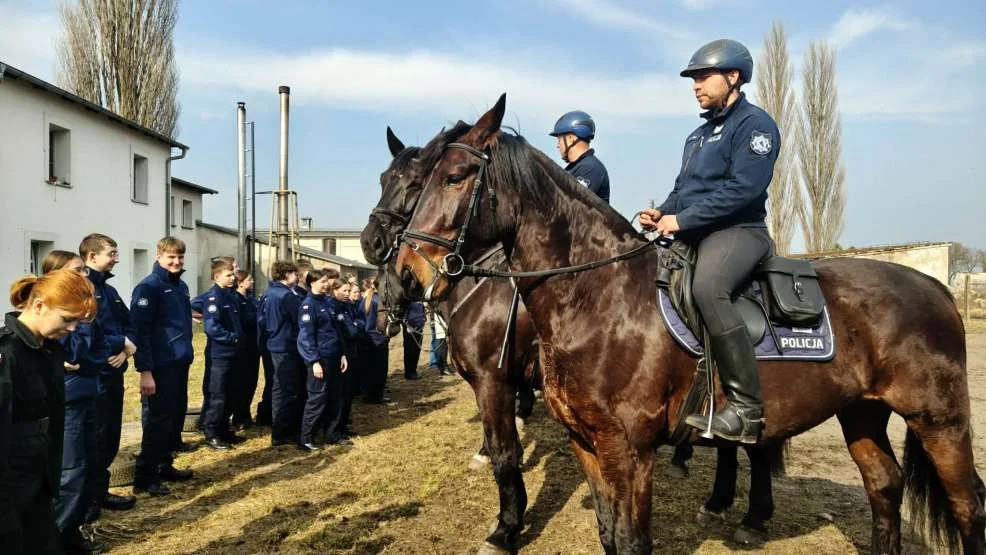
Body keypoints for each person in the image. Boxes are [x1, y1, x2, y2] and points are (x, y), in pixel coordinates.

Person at [640, 39, 779, 444]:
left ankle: (746, 408)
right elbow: (683, 189)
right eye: (693, 78)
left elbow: (744, 189)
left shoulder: (755, 126)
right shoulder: (697, 137)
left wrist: (679, 220)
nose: (695, 85)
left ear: (732, 77)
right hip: (696, 232)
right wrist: (660, 213)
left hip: (740, 232)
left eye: (703, 76)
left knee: (708, 287)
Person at [0, 269, 96, 554]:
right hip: (10, 479)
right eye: (67, 319)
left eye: (77, 322)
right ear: (39, 305)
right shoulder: (9, 355)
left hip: (38, 472)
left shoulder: (49, 349)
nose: (72, 329)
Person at [40, 251, 107, 553]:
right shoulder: (57, 313)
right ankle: (56, 540)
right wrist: (85, 325)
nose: (85, 275)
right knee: (70, 472)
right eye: (78, 270)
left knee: (89, 465)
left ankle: (72, 534)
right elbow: (76, 354)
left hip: (87, 391)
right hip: (69, 399)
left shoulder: (83, 310)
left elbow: (100, 351)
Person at [76, 234, 139, 521]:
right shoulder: (82, 289)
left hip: (114, 372)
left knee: (111, 436)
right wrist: (120, 345)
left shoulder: (109, 291)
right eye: (111, 253)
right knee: (95, 440)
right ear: (91, 257)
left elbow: (129, 324)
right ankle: (87, 503)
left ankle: (100, 492)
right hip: (96, 376)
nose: (116, 258)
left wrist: (126, 352)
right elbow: (90, 333)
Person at [130, 237, 195, 496]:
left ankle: (164, 464)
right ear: (158, 257)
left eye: (180, 257)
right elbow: (140, 331)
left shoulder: (181, 286)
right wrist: (145, 370)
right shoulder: (149, 287)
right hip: (160, 365)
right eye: (171, 257)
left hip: (179, 362)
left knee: (174, 416)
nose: (176, 262)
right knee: (157, 420)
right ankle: (145, 477)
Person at [296, 270, 350, 451]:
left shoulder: (327, 303)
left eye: (326, 281)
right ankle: (305, 438)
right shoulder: (308, 306)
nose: (325, 285)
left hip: (334, 356)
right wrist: (313, 361)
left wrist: (342, 353)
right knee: (317, 398)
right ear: (312, 284)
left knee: (335, 397)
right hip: (320, 359)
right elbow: (305, 338)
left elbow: (337, 331)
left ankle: (332, 434)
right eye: (321, 282)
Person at [200, 259, 246, 450]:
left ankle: (224, 429)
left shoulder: (230, 296)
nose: (232, 278)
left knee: (231, 393)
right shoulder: (213, 298)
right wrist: (233, 338)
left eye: (232, 275)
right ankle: (211, 433)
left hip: (234, 354)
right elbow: (212, 327)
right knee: (217, 394)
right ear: (217, 276)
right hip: (220, 354)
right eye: (228, 275)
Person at [259, 261, 305, 446]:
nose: (298, 276)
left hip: (273, 345)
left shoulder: (268, 294)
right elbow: (299, 321)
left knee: (278, 388)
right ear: (285, 275)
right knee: (288, 390)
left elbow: (262, 321)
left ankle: (278, 429)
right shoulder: (287, 296)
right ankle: (283, 432)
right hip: (286, 346)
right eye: (294, 273)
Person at [549, 110, 610, 203]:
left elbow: (571, 205)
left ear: (571, 139)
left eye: (559, 139)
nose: (557, 145)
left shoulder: (590, 168)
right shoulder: (576, 168)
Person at [232, 270, 259, 429]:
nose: (253, 282)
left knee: (251, 381)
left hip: (253, 346)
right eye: (250, 279)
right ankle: (239, 416)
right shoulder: (236, 299)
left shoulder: (250, 299)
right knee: (241, 382)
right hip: (243, 347)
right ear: (240, 282)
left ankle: (245, 413)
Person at [359, 278, 391, 404]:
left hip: (367, 338)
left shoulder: (366, 300)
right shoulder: (378, 301)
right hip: (378, 338)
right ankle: (376, 396)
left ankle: (369, 394)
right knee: (379, 370)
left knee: (369, 369)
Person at [402, 302, 425, 380]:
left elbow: (423, 313)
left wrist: (424, 320)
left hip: (419, 329)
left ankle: (413, 371)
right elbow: (404, 315)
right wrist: (407, 325)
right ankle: (409, 373)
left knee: (417, 350)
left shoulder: (420, 301)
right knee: (409, 351)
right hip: (410, 330)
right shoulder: (408, 300)